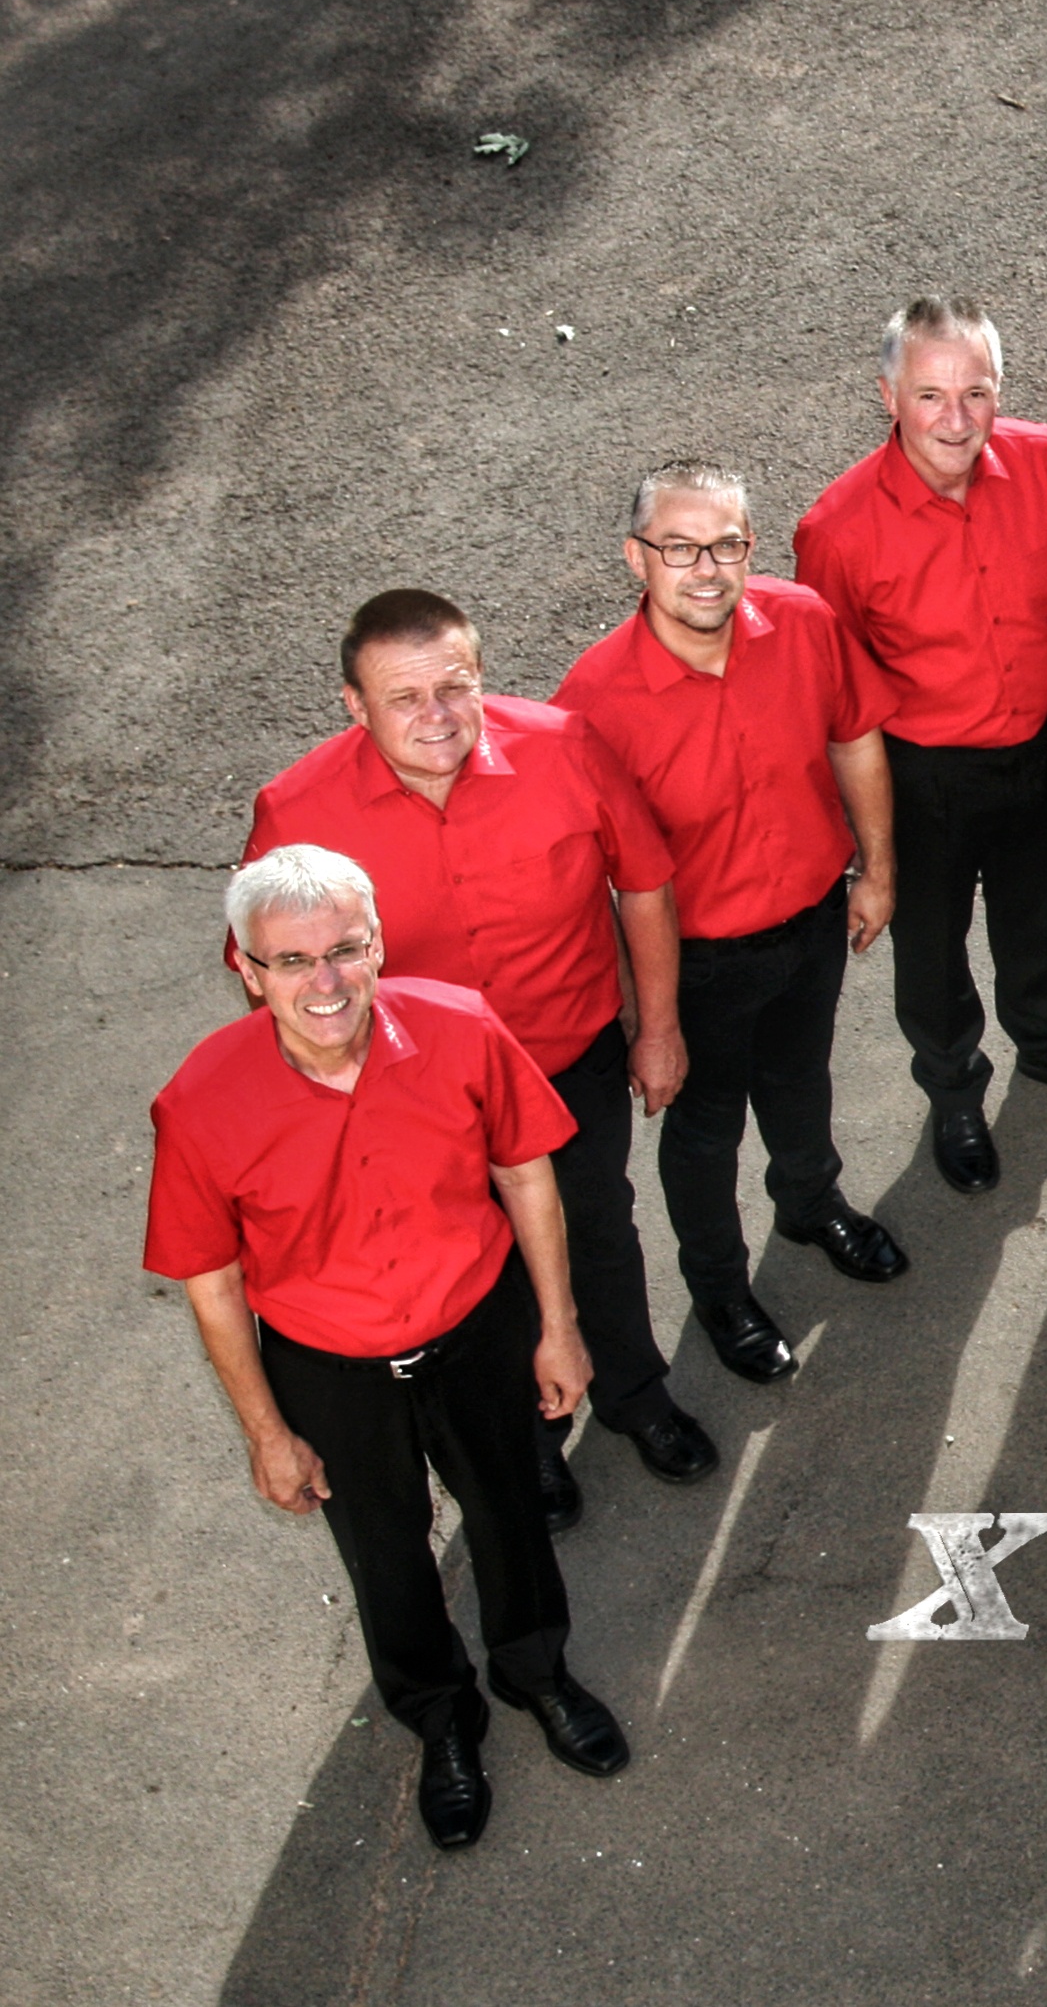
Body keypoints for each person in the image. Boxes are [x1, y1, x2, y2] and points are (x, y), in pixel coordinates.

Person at [147, 846, 634, 1852]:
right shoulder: (200, 1100)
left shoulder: (464, 1027)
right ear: (248, 970)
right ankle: (441, 1718)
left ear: (377, 946)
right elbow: (215, 1283)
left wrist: (558, 1328)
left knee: (513, 1516)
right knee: (386, 1558)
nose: (323, 981)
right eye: (291, 960)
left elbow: (527, 1176)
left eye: (344, 949)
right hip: (329, 1374)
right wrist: (267, 1433)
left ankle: (535, 1674)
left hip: (479, 1334)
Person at [245, 591, 715, 1529]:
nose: (437, 716)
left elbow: (644, 883)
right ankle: (529, 1439)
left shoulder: (564, 747)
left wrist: (658, 1027)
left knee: (598, 1228)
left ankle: (634, 1395)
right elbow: (270, 977)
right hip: (423, 1098)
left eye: (454, 687)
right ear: (354, 705)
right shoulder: (296, 812)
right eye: (403, 698)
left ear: (481, 676)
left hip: (568, 1063)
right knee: (484, 1273)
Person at [553, 461, 910, 1384]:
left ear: (750, 548)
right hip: (696, 962)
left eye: (726, 545)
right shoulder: (590, 704)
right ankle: (719, 1290)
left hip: (813, 922)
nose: (706, 569)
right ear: (637, 558)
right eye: (679, 548)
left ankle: (810, 1205)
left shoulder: (803, 622)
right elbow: (593, 882)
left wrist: (877, 870)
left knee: (800, 1082)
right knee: (705, 1135)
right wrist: (649, 1020)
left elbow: (853, 738)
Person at [796, 295, 1047, 1192]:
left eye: (975, 393)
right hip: (923, 776)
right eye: (931, 396)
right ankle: (953, 1092)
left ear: (998, 391)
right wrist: (866, 846)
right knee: (931, 951)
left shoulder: (1043, 460)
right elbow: (835, 705)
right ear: (889, 397)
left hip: (1044, 741)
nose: (957, 420)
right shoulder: (835, 532)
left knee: (1038, 915)